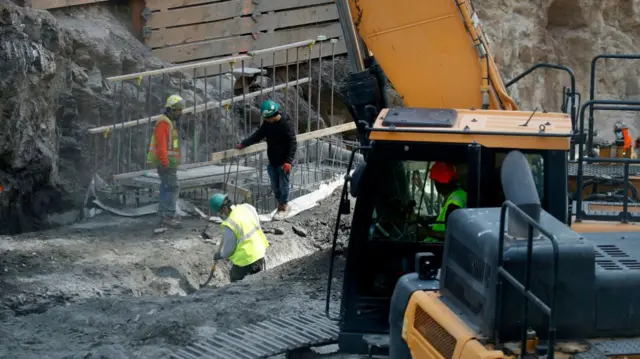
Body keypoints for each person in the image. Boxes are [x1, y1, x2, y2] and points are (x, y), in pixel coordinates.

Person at [236, 100, 297, 215]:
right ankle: (280, 203)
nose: (266, 120)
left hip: (283, 163)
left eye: (267, 118)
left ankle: (283, 206)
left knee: (284, 186)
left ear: (274, 115)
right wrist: (244, 143)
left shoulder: (286, 124)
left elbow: (293, 143)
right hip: (273, 161)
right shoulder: (268, 124)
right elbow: (257, 135)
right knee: (275, 186)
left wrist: (288, 161)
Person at [209, 193, 270, 282]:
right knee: (258, 284)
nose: (220, 215)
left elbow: (229, 250)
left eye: (220, 213)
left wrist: (220, 255)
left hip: (246, 261)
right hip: (260, 253)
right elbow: (257, 222)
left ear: (225, 209)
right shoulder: (246, 208)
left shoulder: (229, 224)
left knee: (235, 282)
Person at [147, 94, 185, 228]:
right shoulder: (164, 123)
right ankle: (168, 216)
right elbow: (161, 145)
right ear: (170, 109)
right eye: (178, 110)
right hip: (166, 164)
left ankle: (163, 214)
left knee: (165, 187)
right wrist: (164, 163)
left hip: (168, 163)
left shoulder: (169, 122)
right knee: (172, 188)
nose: (181, 113)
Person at [422, 162, 467, 242]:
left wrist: (425, 232)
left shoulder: (453, 204)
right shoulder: (460, 195)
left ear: (438, 184)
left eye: (435, 181)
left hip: (437, 251)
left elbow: (451, 234)